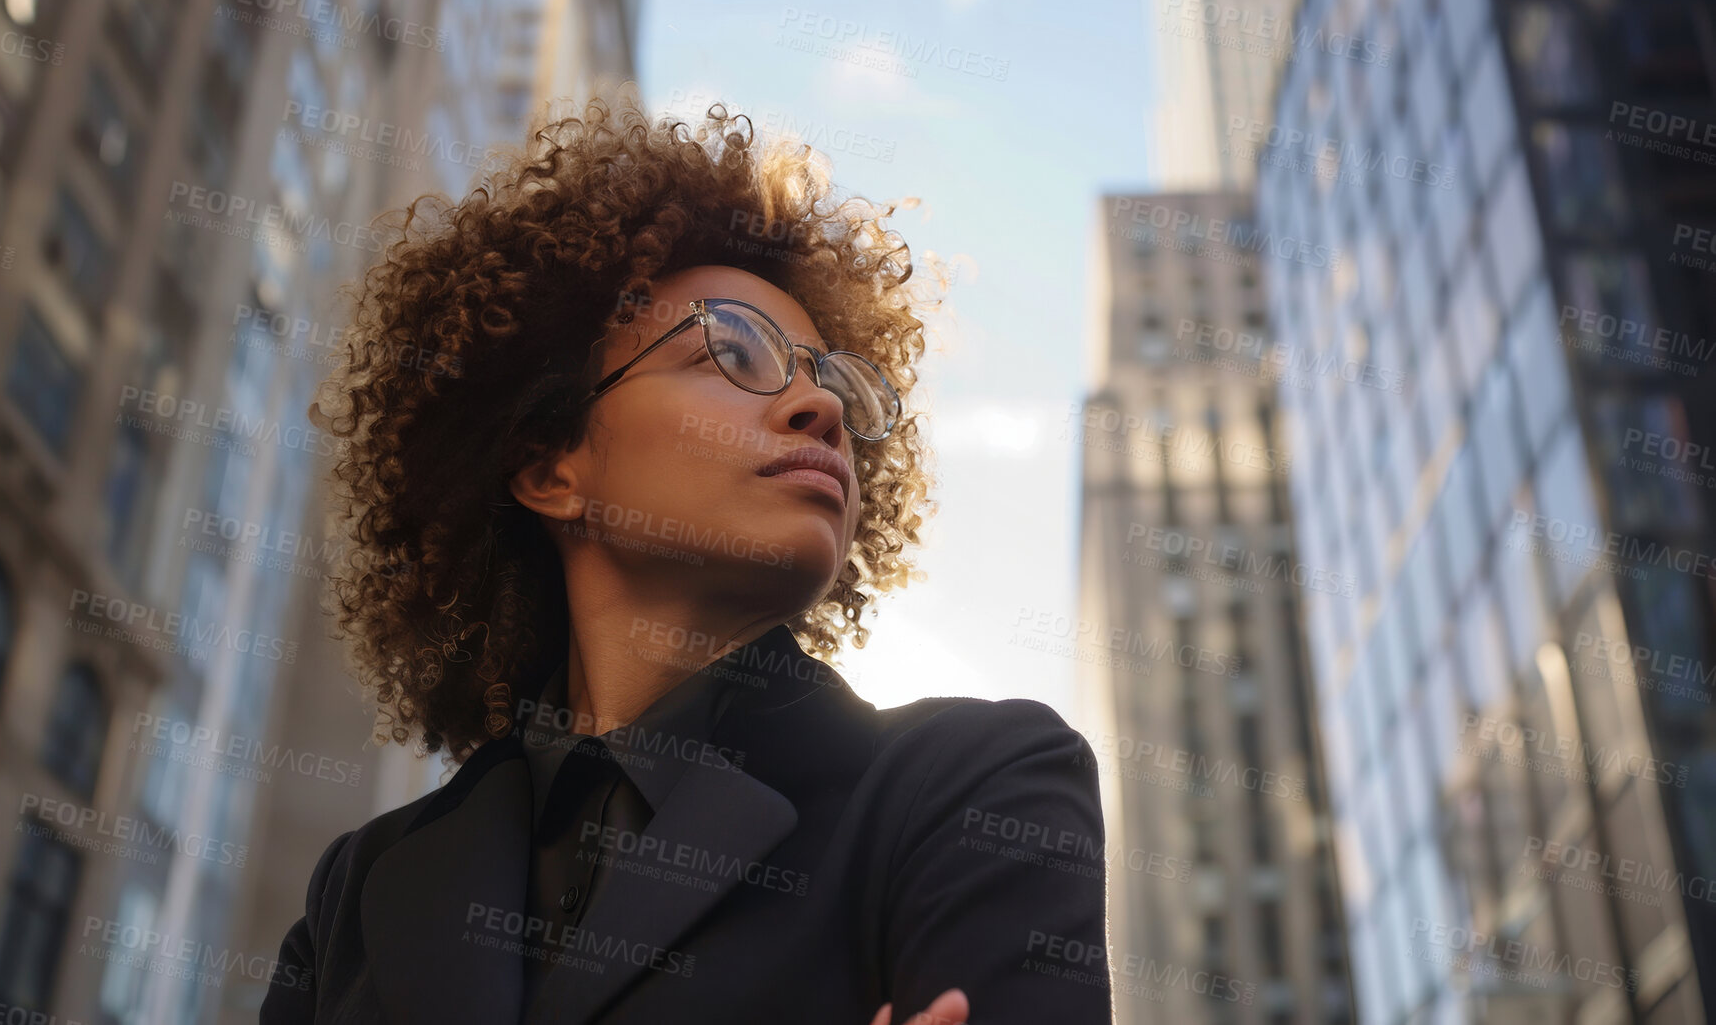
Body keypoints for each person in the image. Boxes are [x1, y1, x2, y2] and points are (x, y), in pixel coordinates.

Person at [262, 97, 1110, 1025]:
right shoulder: (358, 892)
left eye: (834, 382)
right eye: (732, 353)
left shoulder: (978, 786)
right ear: (550, 465)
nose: (818, 409)